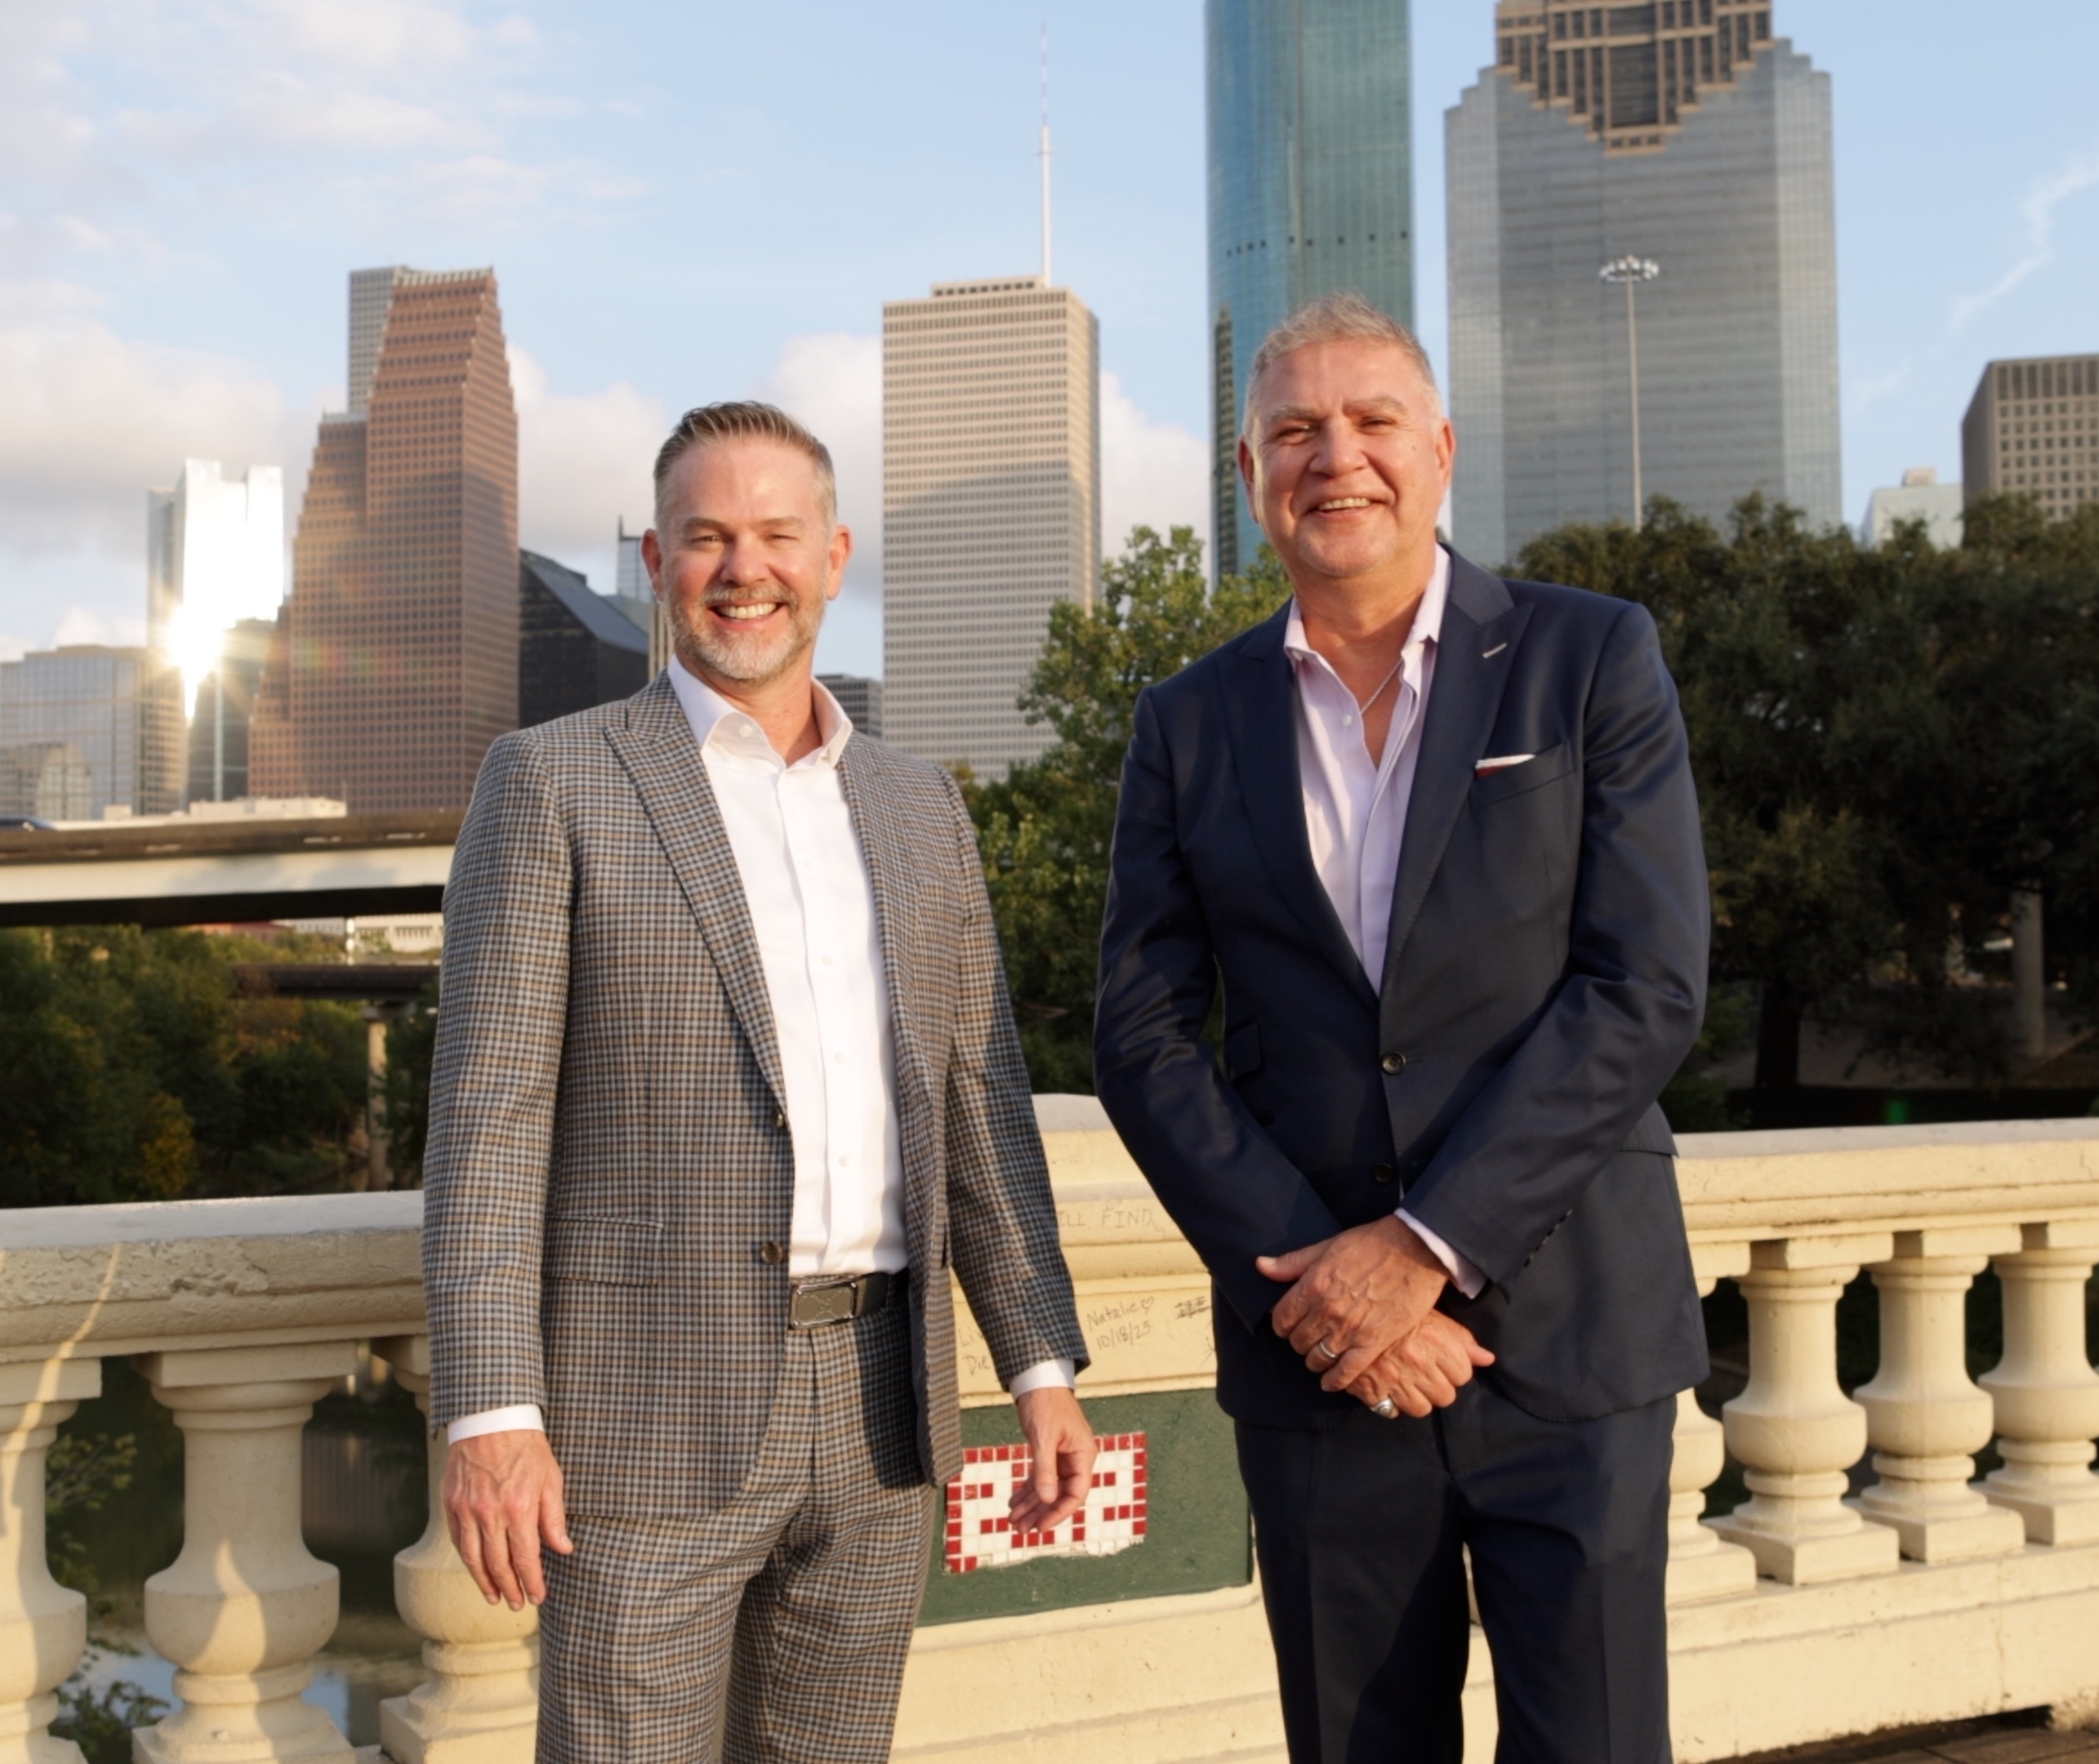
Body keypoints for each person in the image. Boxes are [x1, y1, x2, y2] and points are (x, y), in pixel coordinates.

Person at [421, 400, 1095, 1762]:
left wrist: (1039, 1359)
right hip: (637, 1419)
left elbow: (978, 1101)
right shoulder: (551, 782)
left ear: (835, 555)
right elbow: (488, 1123)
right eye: (707, 537)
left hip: (883, 1408)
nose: (745, 568)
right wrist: (492, 1411)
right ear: (659, 560)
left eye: (777, 535)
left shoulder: (919, 807)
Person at [1094, 294, 1712, 1762]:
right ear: (1249, 477)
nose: (1336, 457)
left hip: (1571, 1336)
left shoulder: (1591, 659)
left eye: (1372, 421)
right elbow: (1140, 1029)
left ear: (1439, 449)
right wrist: (1325, 1293)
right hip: (1320, 1361)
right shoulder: (1186, 722)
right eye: (1295, 431)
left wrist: (1423, 1250)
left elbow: (1643, 986)